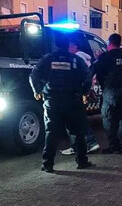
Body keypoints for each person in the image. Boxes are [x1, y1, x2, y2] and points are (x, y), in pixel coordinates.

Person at [30, 38, 93, 173]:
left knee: (51, 133)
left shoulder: (47, 59)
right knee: (77, 132)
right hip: (72, 100)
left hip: (52, 101)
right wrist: (84, 92)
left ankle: (48, 164)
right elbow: (88, 76)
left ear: (56, 45)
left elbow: (34, 75)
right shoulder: (75, 60)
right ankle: (81, 161)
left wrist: (37, 90)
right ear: (68, 45)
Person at [93, 33, 122, 155]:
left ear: (109, 43)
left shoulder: (105, 57)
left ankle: (114, 147)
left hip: (110, 91)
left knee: (108, 120)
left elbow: (95, 71)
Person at [60, 38, 100, 156]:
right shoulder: (84, 58)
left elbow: (83, 76)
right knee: (79, 119)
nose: (68, 48)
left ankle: (84, 144)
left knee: (75, 120)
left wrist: (82, 90)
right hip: (81, 92)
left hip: (76, 93)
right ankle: (87, 143)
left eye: (70, 45)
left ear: (76, 47)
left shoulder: (77, 58)